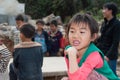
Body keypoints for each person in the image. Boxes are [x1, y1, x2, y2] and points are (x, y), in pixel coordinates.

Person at [62, 13, 119, 80]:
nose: (75, 36)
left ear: (93, 37)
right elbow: (72, 72)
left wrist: (72, 55)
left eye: (82, 32)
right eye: (72, 31)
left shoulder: (94, 55)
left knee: (91, 74)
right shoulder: (68, 50)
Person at [96, 2, 120, 75]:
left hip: (110, 57)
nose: (103, 11)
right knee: (100, 76)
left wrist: (108, 56)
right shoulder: (104, 23)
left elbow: (115, 42)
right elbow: (101, 40)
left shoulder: (117, 24)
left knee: (111, 75)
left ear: (110, 11)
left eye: (104, 9)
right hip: (101, 53)